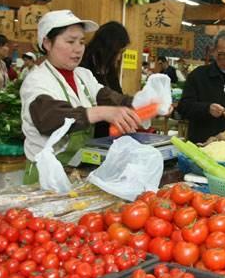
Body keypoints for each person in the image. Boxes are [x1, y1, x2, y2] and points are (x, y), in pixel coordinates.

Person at [20, 10, 141, 184]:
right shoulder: (37, 81)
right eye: (70, 41)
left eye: (82, 42)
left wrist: (146, 101)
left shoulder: (83, 75)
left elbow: (109, 97)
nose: (78, 49)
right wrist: (100, 113)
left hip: (76, 171)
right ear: (47, 43)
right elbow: (49, 118)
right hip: (45, 177)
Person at [80, 21, 134, 138]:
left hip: (109, 134)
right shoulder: (83, 68)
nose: (119, 57)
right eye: (118, 52)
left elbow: (117, 96)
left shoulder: (108, 68)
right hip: (89, 135)